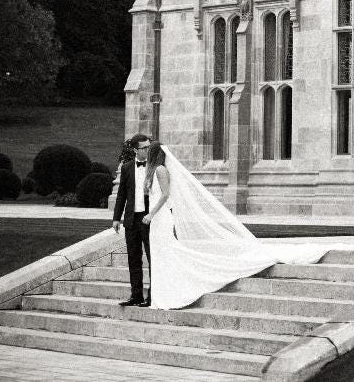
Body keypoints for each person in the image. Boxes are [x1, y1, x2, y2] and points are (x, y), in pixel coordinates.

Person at [142, 144, 330, 310]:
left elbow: (166, 195)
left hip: (160, 217)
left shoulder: (160, 170)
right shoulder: (154, 171)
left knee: (166, 251)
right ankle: (162, 294)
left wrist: (152, 214)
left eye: (148, 151)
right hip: (156, 219)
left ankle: (170, 292)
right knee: (161, 254)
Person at [112, 132, 152, 307]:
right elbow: (121, 195)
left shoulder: (155, 166)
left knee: (152, 258)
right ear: (136, 150)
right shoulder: (127, 167)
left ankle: (152, 296)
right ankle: (136, 295)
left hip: (148, 219)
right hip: (131, 220)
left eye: (149, 146)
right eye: (144, 148)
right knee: (133, 258)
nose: (148, 150)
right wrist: (116, 218)